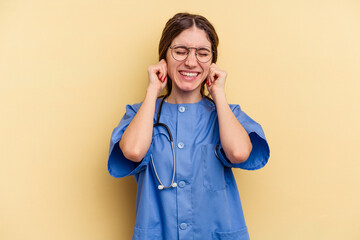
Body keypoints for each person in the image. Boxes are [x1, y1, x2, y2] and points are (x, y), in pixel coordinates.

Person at [108, 12, 270, 240]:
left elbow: (239, 152)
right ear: (164, 57)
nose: (191, 62)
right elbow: (134, 150)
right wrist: (153, 89)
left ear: (212, 62)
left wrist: (219, 93)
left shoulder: (228, 115)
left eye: (202, 53)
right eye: (180, 51)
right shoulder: (140, 114)